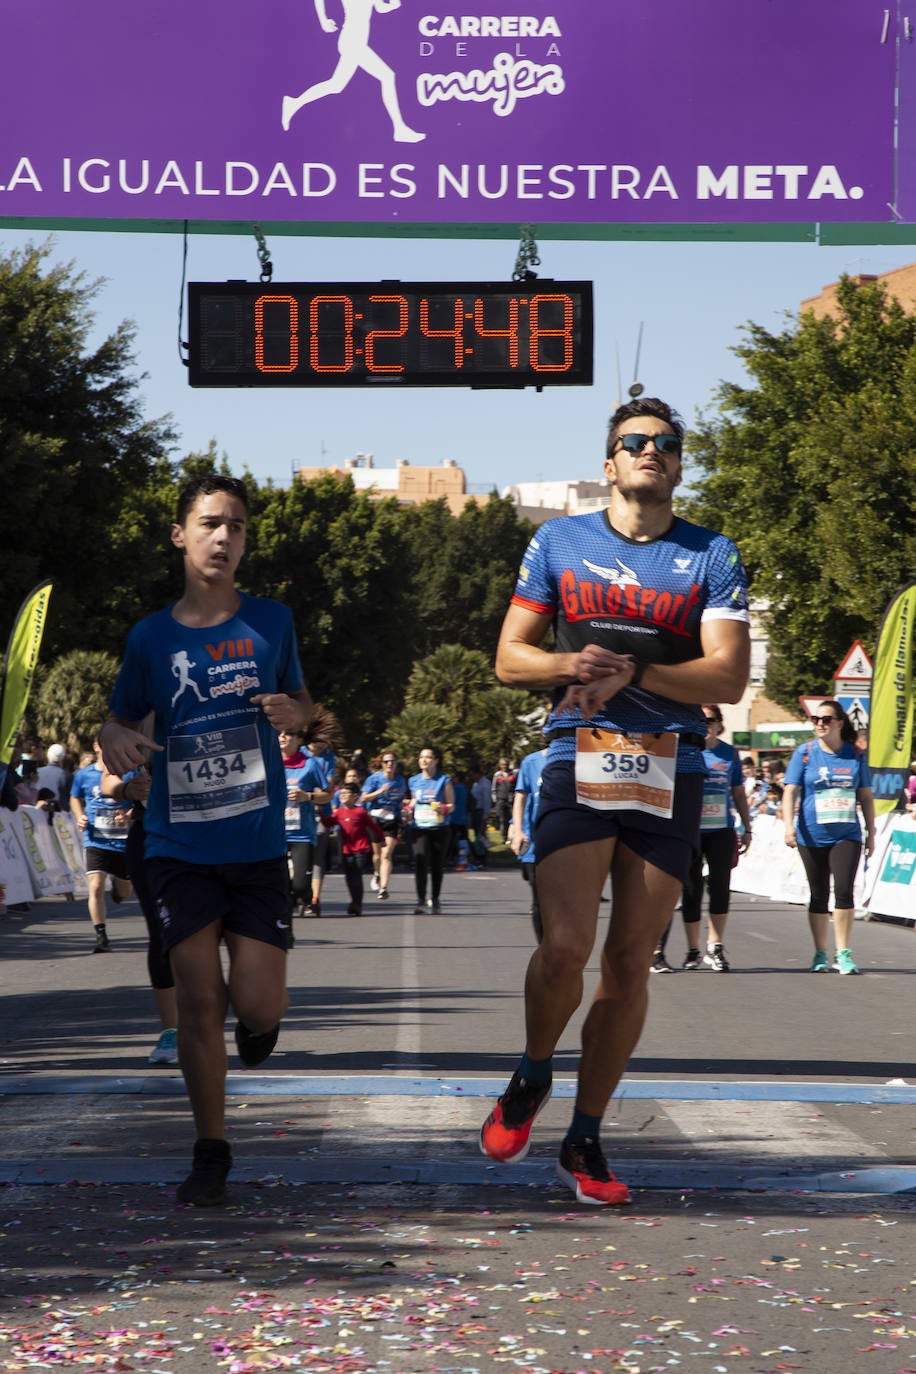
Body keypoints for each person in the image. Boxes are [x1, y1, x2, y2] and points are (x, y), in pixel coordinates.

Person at [478, 397, 750, 1206]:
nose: (650, 453)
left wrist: (637, 673)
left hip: (671, 767)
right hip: (576, 758)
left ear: (678, 463)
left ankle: (586, 1135)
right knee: (565, 946)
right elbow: (509, 659)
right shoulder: (559, 542)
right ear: (609, 463)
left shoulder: (711, 554)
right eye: (634, 443)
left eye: (666, 445)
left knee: (631, 961)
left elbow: (729, 677)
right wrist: (573, 667)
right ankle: (532, 1072)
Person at [99, 473, 313, 1207]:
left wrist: (295, 712)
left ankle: (259, 1030)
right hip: (176, 844)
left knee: (257, 1004)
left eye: (239, 527)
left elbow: (305, 704)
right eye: (212, 524)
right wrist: (115, 744)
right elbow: (118, 721)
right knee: (197, 998)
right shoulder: (150, 637)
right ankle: (211, 1149)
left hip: (254, 844)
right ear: (180, 536)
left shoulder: (272, 622)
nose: (226, 537)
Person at [650, 704, 751, 973]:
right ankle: (693, 949)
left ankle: (715, 947)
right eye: (700, 720)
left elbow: (739, 793)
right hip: (690, 830)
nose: (705, 725)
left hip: (720, 829)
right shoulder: (686, 750)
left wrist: (747, 827)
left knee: (720, 888)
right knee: (691, 890)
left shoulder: (729, 753)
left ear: (720, 723)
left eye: (709, 720)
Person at [782, 699, 876, 976]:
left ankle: (844, 952)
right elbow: (790, 791)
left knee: (844, 890)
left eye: (825, 719)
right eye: (815, 719)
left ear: (839, 722)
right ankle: (820, 952)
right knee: (818, 894)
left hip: (846, 834)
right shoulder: (805, 753)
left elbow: (866, 797)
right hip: (811, 834)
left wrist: (871, 833)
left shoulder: (855, 755)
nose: (820, 724)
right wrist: (789, 826)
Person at [101, 759, 178, 1064]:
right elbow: (107, 778)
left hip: (208, 835)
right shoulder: (137, 721)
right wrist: (124, 788)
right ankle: (171, 1030)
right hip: (149, 837)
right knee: (161, 934)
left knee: (207, 930)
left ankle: (223, 1014)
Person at [281, 0, 425, 143]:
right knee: (387, 76)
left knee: (336, 85)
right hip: (352, 42)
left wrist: (393, 5)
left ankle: (294, 103)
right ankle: (399, 128)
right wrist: (323, 20)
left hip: (356, 42)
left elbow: (380, 8)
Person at [69, 739, 133, 952]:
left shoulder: (129, 772)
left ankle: (118, 887)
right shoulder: (83, 775)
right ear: (97, 746)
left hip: (122, 841)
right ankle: (100, 935)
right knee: (95, 886)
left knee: (125, 891)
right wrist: (80, 817)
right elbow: (75, 797)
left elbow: (140, 800)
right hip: (95, 838)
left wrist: (129, 815)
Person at [280, 721, 333, 936]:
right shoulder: (270, 761)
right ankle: (286, 932)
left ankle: (306, 894)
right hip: (275, 832)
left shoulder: (310, 765)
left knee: (300, 885)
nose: (283, 737)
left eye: (289, 733)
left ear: (300, 739)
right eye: (280, 734)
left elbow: (328, 794)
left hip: (302, 833)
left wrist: (307, 796)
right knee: (279, 885)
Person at [406, 745, 454, 913]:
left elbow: (451, 805)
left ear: (436, 761)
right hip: (418, 827)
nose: (423, 760)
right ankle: (420, 900)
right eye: (421, 757)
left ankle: (435, 899)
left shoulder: (444, 780)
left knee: (436, 865)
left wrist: (443, 809)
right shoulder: (413, 780)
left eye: (427, 757)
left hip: (439, 828)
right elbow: (413, 801)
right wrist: (408, 810)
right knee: (420, 861)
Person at [511, 742, 549, 942]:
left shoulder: (580, 759)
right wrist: (517, 830)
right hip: (534, 841)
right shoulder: (531, 762)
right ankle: (544, 948)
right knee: (539, 900)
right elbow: (520, 797)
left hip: (566, 841)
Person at [329, 783, 386, 914]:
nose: (342, 796)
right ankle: (354, 901)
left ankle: (357, 904)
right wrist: (320, 813)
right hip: (346, 851)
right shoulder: (339, 812)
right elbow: (329, 822)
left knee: (356, 876)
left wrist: (381, 839)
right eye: (341, 794)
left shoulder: (360, 812)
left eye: (345, 794)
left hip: (361, 849)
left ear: (355, 796)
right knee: (349, 877)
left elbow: (374, 827)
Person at [359, 750, 408, 900]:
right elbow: (363, 798)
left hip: (392, 819)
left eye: (392, 761)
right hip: (375, 819)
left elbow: (401, 799)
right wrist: (380, 791)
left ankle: (384, 888)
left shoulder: (400, 780)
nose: (390, 764)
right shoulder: (374, 779)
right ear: (382, 764)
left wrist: (405, 809)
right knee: (377, 855)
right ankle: (376, 873)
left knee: (387, 855)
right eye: (386, 762)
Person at [37, 743, 71, 813]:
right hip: (59, 815)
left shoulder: (37, 772)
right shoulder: (66, 775)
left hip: (38, 812)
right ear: (63, 757)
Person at [491, 757, 517, 842]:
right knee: (502, 820)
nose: (504, 766)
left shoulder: (514, 773)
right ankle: (504, 837)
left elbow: (517, 786)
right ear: (500, 765)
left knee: (513, 819)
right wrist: (495, 800)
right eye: (502, 764)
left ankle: (513, 837)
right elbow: (494, 788)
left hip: (511, 801)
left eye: (506, 764)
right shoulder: (497, 775)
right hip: (500, 800)